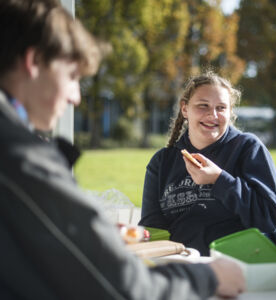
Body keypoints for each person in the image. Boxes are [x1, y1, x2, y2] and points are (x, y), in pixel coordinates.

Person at [0, 0, 245, 299]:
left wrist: (85, 233)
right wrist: (207, 278)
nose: (75, 97)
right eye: (73, 77)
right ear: (34, 61)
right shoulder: (20, 157)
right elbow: (119, 286)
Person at [139, 71, 276, 255]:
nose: (212, 115)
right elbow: (152, 228)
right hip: (184, 263)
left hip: (239, 263)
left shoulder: (247, 148)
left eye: (221, 108)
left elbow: (269, 218)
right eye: (203, 105)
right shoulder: (162, 162)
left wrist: (219, 180)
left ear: (230, 112)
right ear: (185, 109)